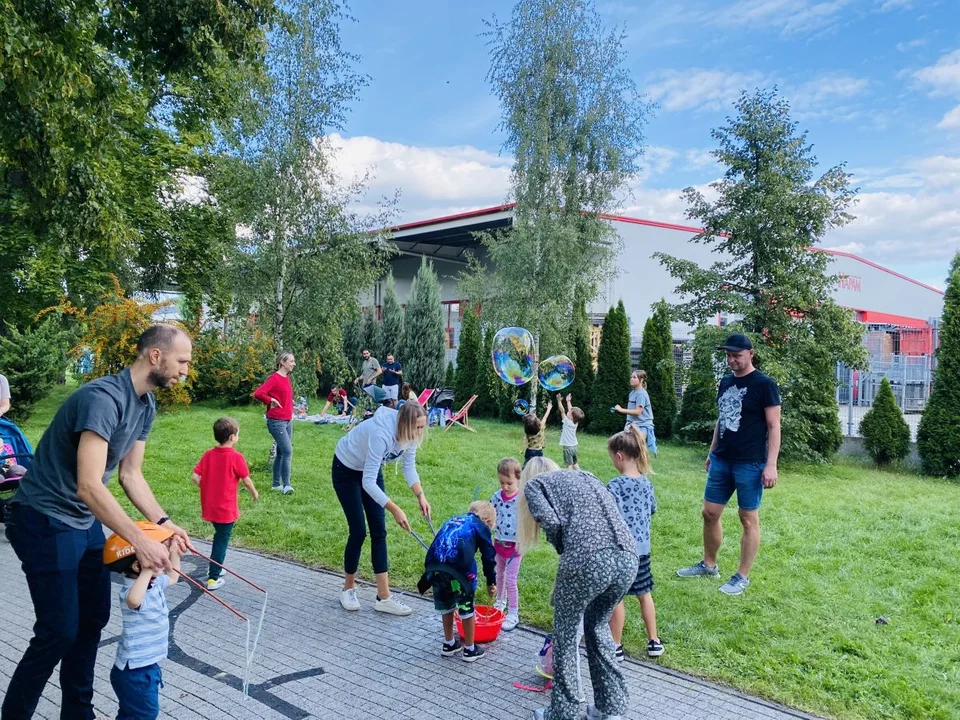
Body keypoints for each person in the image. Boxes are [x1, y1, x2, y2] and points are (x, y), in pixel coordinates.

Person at [2, 324, 194, 719]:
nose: (185, 371)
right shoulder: (103, 399)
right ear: (155, 356)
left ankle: (77, 713)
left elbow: (130, 475)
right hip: (42, 516)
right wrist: (139, 542)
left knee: (92, 619)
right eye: (182, 361)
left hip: (79, 520)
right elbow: (89, 485)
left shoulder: (146, 404)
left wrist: (163, 522)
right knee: (58, 631)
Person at [518, 464, 638, 720]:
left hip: (589, 559)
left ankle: (565, 712)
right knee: (597, 626)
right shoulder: (588, 475)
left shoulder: (534, 485)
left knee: (566, 634)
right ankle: (610, 708)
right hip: (628, 557)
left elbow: (550, 521)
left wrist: (566, 549)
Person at [677, 333, 781, 596]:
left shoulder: (764, 384)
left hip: (751, 462)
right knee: (709, 513)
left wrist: (771, 465)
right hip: (722, 459)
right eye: (728, 355)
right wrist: (712, 451)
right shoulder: (724, 382)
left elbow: (774, 425)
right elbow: (721, 419)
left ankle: (742, 577)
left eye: (737, 355)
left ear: (751, 353)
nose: (732, 360)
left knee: (748, 519)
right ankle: (709, 565)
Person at [332, 402, 432, 616]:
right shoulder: (381, 433)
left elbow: (408, 466)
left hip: (370, 468)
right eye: (418, 427)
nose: (420, 432)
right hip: (346, 469)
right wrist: (395, 509)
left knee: (379, 532)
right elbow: (368, 483)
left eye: (422, 427)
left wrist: (420, 496)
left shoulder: (409, 435)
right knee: (358, 531)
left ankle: (384, 598)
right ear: (405, 424)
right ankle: (348, 589)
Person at [103, 523, 183, 720]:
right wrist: (148, 571)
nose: (163, 563)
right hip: (135, 672)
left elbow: (174, 576)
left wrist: (173, 552)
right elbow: (134, 601)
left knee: (133, 713)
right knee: (145, 714)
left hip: (147, 666)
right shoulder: (132, 591)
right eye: (159, 559)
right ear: (139, 566)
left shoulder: (154, 584)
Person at [606, 425, 663, 660]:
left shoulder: (615, 485)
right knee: (644, 593)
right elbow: (652, 509)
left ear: (619, 456)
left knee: (616, 597)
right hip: (643, 550)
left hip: (621, 552)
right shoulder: (646, 483)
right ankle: (654, 641)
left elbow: (609, 516)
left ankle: (616, 646)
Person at [417, 501, 497, 662]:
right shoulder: (481, 526)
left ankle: (449, 643)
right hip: (459, 571)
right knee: (465, 606)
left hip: (435, 567)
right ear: (488, 521)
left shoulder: (454, 520)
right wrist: (491, 582)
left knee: (446, 605)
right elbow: (488, 557)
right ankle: (469, 648)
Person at [192, 417, 258, 590]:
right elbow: (246, 480)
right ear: (231, 437)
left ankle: (217, 566)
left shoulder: (208, 454)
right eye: (237, 434)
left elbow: (195, 477)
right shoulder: (236, 457)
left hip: (210, 505)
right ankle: (213, 578)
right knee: (221, 540)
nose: (238, 436)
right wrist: (255, 493)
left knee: (218, 535)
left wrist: (206, 488)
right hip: (225, 509)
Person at [253, 351, 296, 495]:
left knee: (280, 452)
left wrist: (290, 406)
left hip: (287, 420)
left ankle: (276, 485)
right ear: (282, 362)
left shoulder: (286, 378)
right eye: (291, 361)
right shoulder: (275, 378)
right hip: (276, 421)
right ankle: (287, 486)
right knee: (287, 451)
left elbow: (284, 396)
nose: (293, 364)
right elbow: (259, 393)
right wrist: (270, 400)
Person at [489, 457, 523, 632]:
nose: (505, 487)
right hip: (499, 544)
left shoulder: (522, 500)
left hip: (515, 548)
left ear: (519, 479)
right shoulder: (497, 496)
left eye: (509, 483)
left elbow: (529, 521)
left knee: (510, 579)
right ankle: (500, 603)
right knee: (499, 576)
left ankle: (513, 612)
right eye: (502, 482)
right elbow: (489, 511)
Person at [614, 370, 657, 457]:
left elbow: (638, 412)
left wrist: (621, 410)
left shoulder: (641, 394)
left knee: (637, 450)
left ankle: (641, 470)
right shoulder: (632, 393)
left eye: (634, 377)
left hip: (642, 426)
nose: (631, 379)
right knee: (627, 449)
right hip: (631, 425)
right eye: (631, 377)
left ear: (641, 380)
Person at [557, 394, 584, 470]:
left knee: (569, 465)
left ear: (571, 417)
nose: (568, 412)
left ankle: (570, 478)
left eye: (569, 413)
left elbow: (562, 411)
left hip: (568, 447)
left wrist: (559, 401)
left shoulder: (566, 422)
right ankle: (580, 475)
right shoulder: (575, 422)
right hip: (574, 446)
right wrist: (568, 401)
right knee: (575, 463)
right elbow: (571, 410)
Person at [522, 400, 552, 467]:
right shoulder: (541, 428)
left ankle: (524, 474)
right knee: (538, 466)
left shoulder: (527, 432)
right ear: (538, 423)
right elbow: (545, 417)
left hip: (529, 451)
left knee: (527, 466)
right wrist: (549, 408)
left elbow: (529, 423)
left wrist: (522, 449)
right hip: (538, 451)